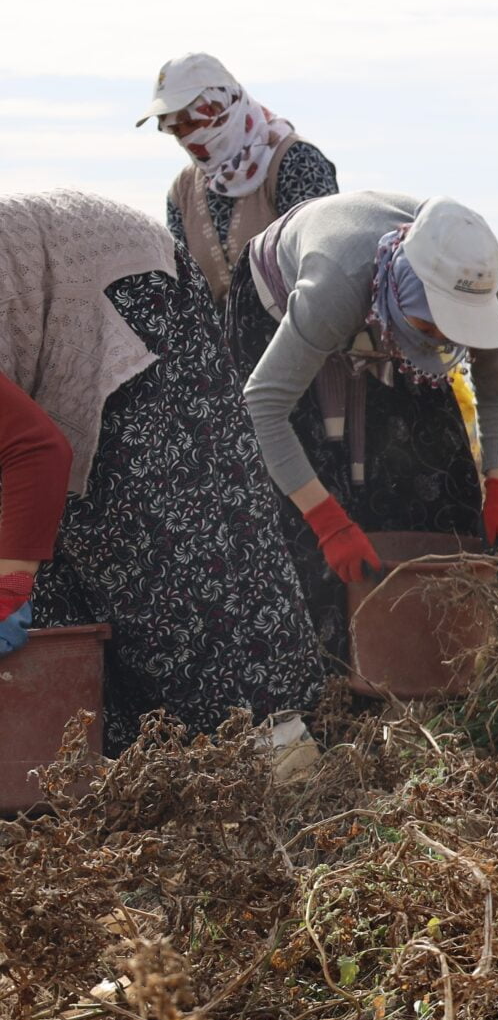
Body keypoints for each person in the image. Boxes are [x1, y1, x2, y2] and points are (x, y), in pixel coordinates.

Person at [0, 190, 324, 751]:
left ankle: (266, 744)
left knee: (162, 537)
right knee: (51, 548)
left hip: (125, 284)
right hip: (47, 306)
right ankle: (110, 755)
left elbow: (36, 451)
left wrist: (8, 587)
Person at [238, 192, 498, 659]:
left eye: (455, 333)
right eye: (431, 330)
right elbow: (263, 407)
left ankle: (430, 660)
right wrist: (327, 522)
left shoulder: (484, 290)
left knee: (435, 480)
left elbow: (497, 391)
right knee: (301, 501)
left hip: (383, 300)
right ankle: (327, 673)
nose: (444, 342)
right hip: (281, 296)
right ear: (403, 291)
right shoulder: (336, 285)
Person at [140, 52, 340, 306]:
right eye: (175, 130)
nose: (185, 138)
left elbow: (322, 269)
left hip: (298, 338)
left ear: (220, 108)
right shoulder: (183, 191)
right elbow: (184, 287)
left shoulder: (295, 162)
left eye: (190, 123)